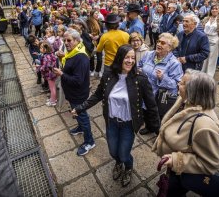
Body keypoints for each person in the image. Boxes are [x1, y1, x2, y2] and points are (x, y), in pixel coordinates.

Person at [72, 44, 160, 187]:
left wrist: (158, 130)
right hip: (112, 121)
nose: (130, 61)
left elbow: (152, 106)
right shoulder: (108, 75)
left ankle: (128, 167)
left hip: (128, 124)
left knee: (124, 154)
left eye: (133, 58)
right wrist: (80, 108)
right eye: (127, 57)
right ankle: (118, 163)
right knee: (114, 152)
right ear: (119, 58)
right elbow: (98, 94)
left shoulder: (141, 79)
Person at [152, 70, 219, 197]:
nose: (178, 83)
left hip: (184, 172)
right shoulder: (186, 101)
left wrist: (176, 160)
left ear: (194, 91)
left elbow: (211, 164)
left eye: (183, 83)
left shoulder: (204, 126)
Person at [53, 29, 95, 156]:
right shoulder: (72, 52)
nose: (66, 43)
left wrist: (62, 74)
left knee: (82, 115)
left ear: (77, 41)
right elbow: (70, 67)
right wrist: (62, 57)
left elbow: (78, 80)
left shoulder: (81, 57)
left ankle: (89, 141)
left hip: (78, 94)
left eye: (69, 40)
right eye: (65, 40)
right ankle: (81, 127)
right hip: (72, 93)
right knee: (77, 113)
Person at [138, 33, 183, 131]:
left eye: (163, 43)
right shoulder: (149, 54)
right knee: (145, 112)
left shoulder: (174, 63)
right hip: (144, 93)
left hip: (158, 98)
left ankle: (160, 134)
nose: (158, 44)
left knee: (158, 118)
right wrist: (138, 70)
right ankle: (148, 127)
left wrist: (163, 78)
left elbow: (177, 84)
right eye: (158, 41)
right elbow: (139, 65)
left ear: (170, 48)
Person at [201, 3, 219, 78]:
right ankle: (202, 73)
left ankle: (209, 75)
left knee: (212, 58)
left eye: (216, 8)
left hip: (215, 39)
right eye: (213, 8)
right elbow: (201, 28)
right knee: (204, 56)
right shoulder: (206, 18)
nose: (214, 10)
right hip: (205, 38)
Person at [38, 41, 58, 106]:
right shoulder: (50, 54)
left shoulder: (46, 57)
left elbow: (46, 66)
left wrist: (40, 68)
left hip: (50, 75)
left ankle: (53, 101)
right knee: (52, 87)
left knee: (52, 88)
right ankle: (53, 98)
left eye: (41, 48)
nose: (40, 49)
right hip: (52, 73)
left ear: (45, 49)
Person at [87, 10, 103, 77]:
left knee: (99, 58)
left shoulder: (100, 22)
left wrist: (98, 36)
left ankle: (98, 70)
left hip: (98, 41)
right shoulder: (88, 22)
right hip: (90, 41)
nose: (97, 14)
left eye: (97, 13)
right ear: (92, 14)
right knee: (91, 57)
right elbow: (85, 31)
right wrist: (90, 35)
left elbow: (102, 32)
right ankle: (92, 69)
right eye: (96, 13)